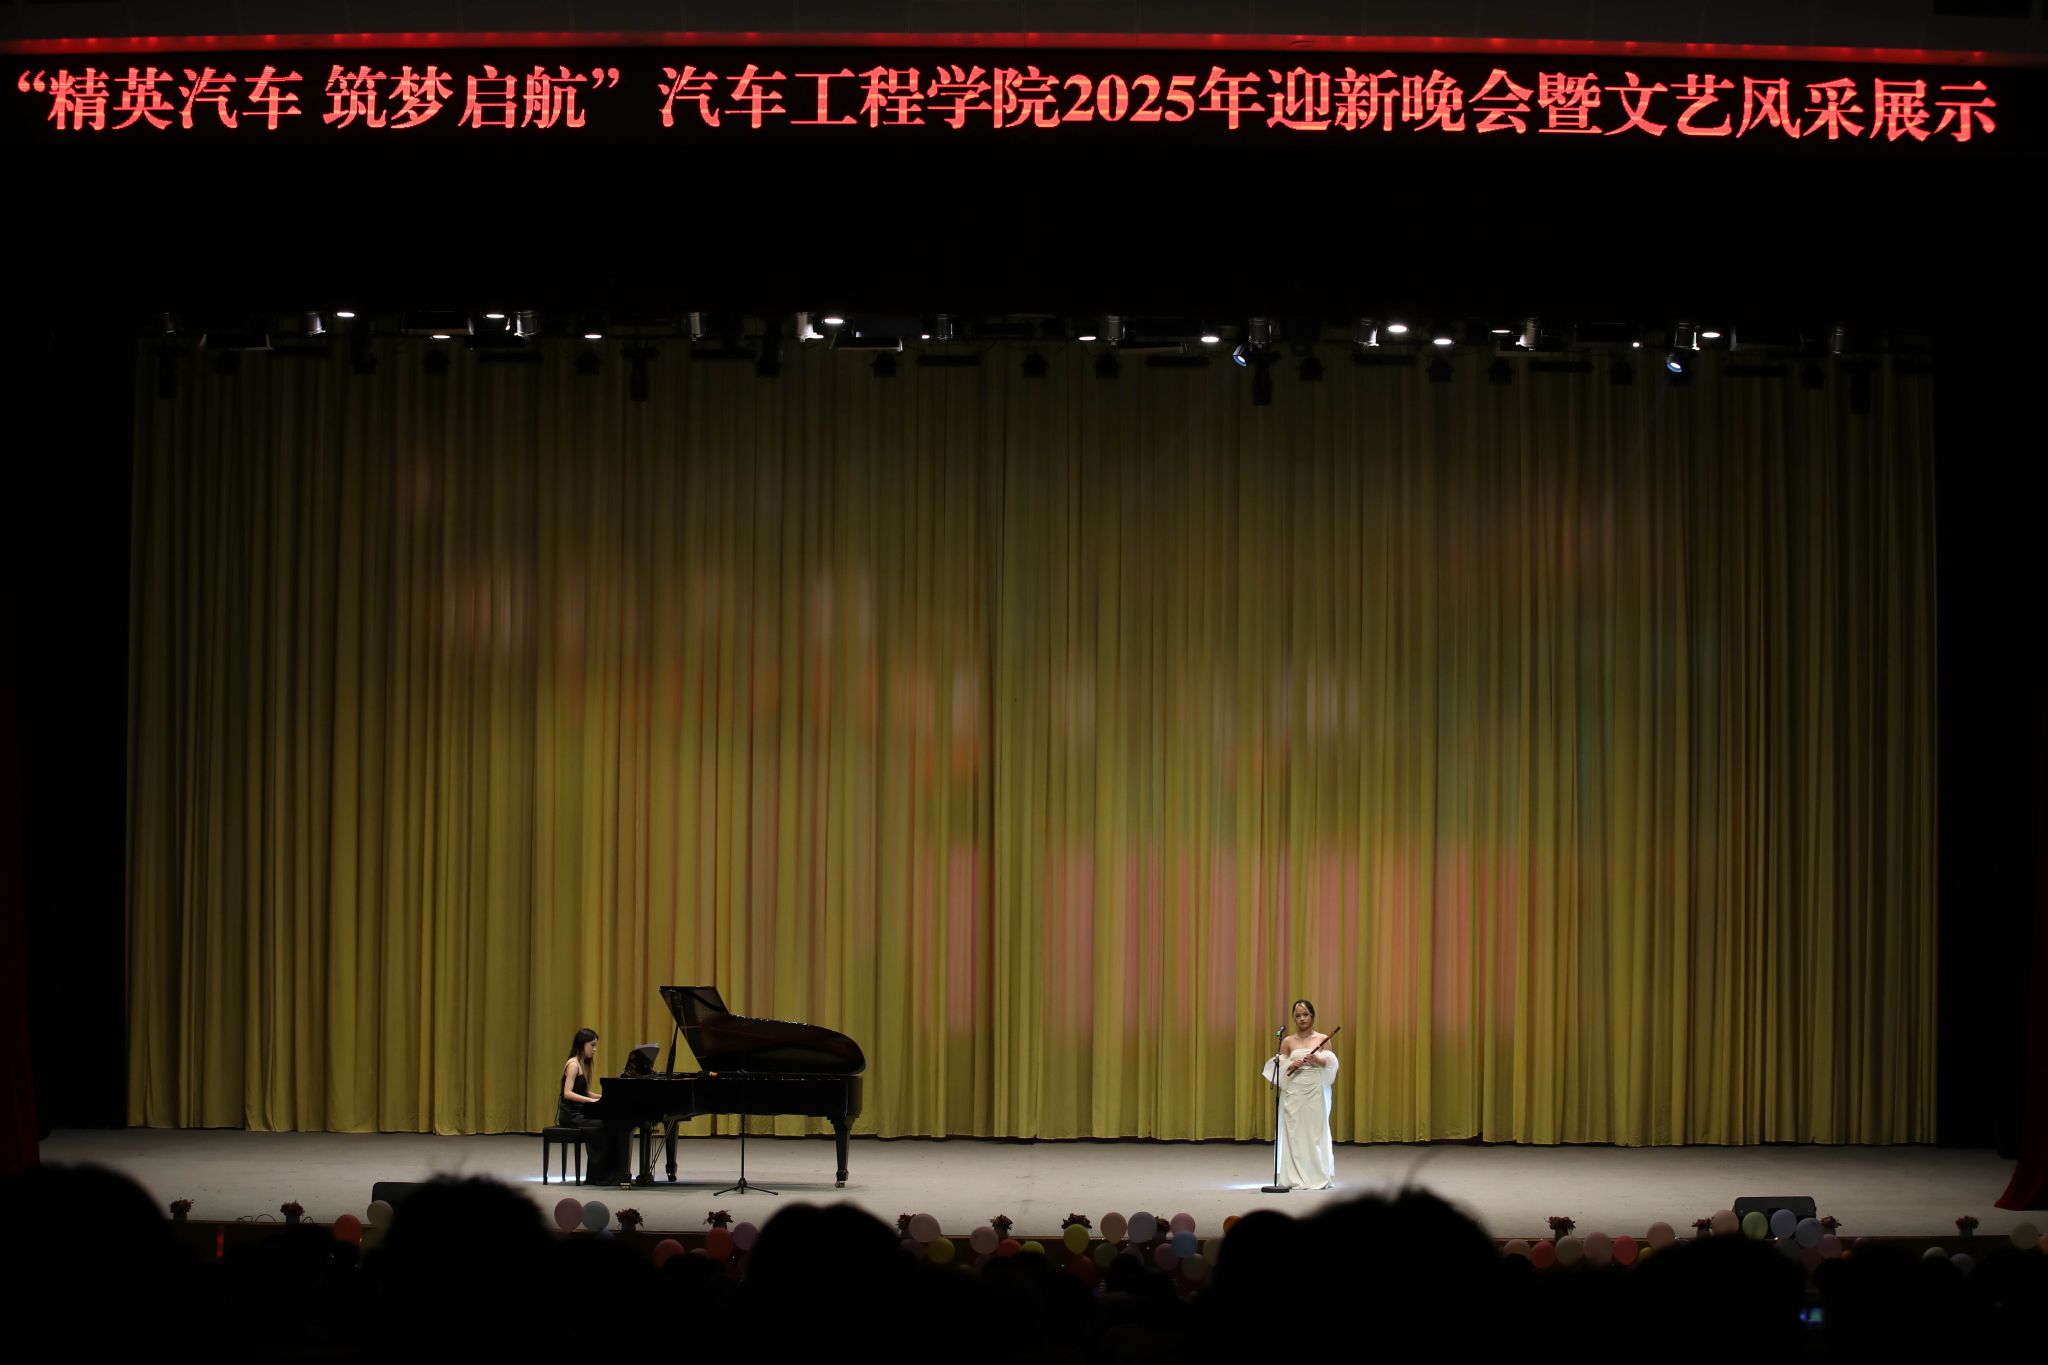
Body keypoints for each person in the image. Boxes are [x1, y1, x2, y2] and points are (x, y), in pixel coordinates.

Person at [1259, 998, 1338, 1190]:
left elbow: (1332, 1064)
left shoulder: (1322, 1039)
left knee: (1314, 1133)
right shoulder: (1287, 1041)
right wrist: (1290, 1064)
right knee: (1294, 1133)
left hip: (1314, 1091)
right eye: (1298, 1016)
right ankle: (1293, 1176)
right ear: (1294, 1018)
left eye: (1305, 1015)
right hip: (1294, 1092)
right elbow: (1279, 1068)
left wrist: (1318, 1060)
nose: (1302, 1019)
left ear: (1312, 1016)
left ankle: (1316, 1176)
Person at [558, 1027, 631, 1185]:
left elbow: (584, 1092)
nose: (594, 1049)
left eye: (595, 1045)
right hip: (571, 1115)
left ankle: (610, 1174)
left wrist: (603, 1097)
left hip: (580, 1112)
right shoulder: (573, 1064)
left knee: (612, 1124)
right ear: (581, 1044)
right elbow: (567, 1093)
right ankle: (600, 1176)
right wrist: (591, 1101)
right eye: (592, 1045)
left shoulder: (581, 1063)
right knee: (605, 1126)